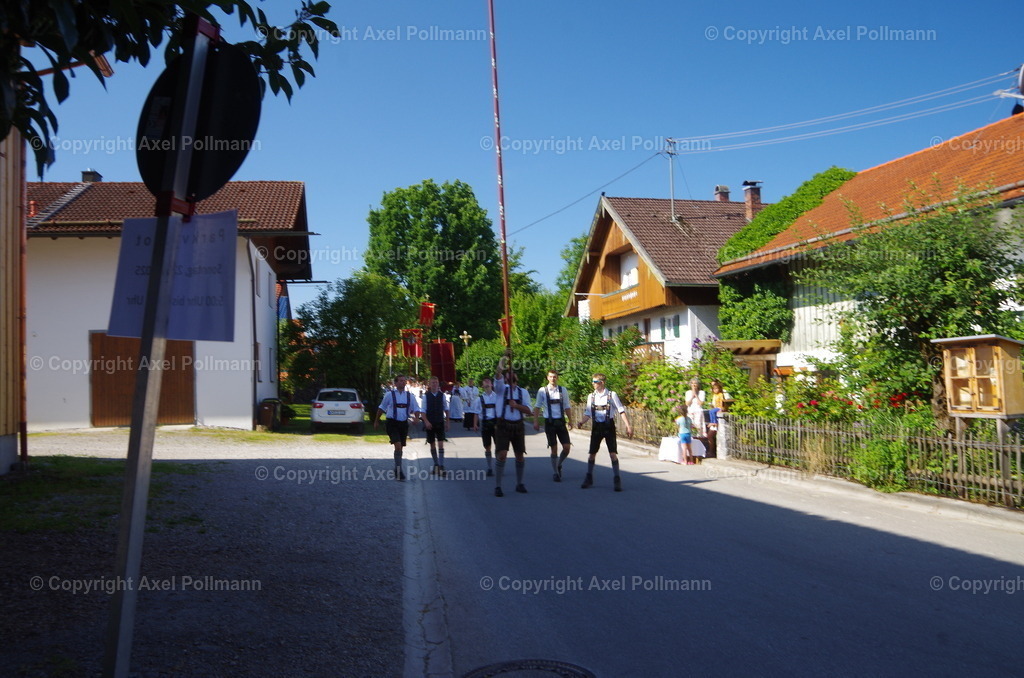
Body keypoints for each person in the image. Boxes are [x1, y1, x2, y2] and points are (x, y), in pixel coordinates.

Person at [576, 373, 633, 492]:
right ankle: (589, 477)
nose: (593, 384)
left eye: (595, 382)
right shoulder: (591, 396)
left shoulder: (612, 395)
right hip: (597, 426)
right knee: (592, 453)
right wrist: (581, 422)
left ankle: (617, 478)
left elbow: (621, 411)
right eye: (593, 381)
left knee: (613, 453)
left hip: (608, 426)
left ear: (602, 383)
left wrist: (628, 426)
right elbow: (588, 413)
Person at [492, 361, 533, 497]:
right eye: (508, 379)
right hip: (503, 425)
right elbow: (498, 374)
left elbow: (529, 410)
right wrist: (503, 359)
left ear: (517, 380)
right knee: (502, 454)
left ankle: (519, 483)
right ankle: (498, 486)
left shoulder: (523, 392)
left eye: (513, 379)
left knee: (520, 455)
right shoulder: (500, 389)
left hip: (518, 425)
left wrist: (516, 406)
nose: (511, 381)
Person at [373, 374, 422, 480]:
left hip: (403, 423)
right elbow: (381, 408)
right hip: (392, 423)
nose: (402, 382)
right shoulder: (389, 395)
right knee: (398, 445)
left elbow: (416, 409)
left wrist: (416, 418)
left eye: (404, 381)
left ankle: (397, 467)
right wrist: (376, 421)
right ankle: (399, 471)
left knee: (401, 446)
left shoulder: (410, 396)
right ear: (395, 383)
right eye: (400, 381)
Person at [533, 369, 572, 482]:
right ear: (547, 378)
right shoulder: (542, 391)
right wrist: (535, 421)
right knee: (553, 448)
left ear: (557, 378)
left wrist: (570, 420)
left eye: (554, 377)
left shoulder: (562, 390)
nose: (553, 379)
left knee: (566, 447)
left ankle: (559, 464)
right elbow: (537, 406)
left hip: (560, 422)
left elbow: (567, 406)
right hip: (549, 423)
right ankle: (555, 472)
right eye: (551, 376)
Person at [420, 376, 450, 475]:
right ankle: (436, 464)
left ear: (438, 384)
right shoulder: (426, 396)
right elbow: (423, 411)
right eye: (433, 383)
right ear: (429, 384)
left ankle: (441, 465)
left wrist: (447, 422)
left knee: (441, 443)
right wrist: (426, 421)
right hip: (430, 422)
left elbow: (446, 409)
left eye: (436, 382)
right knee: (432, 443)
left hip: (440, 421)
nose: (435, 384)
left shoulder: (442, 395)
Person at [471, 376, 500, 477]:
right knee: (487, 446)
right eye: (485, 382)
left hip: (496, 423)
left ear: (492, 384)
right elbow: (476, 413)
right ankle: (489, 467)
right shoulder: (479, 399)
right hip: (485, 423)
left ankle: (497, 466)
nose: (487, 384)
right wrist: (475, 424)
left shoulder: (497, 397)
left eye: (488, 382)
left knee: (498, 446)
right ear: (483, 386)